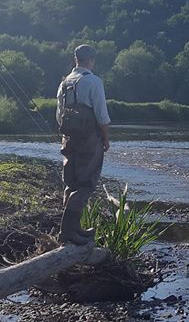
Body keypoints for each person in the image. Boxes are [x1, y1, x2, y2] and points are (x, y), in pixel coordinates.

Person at [56, 44, 111, 246]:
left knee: (71, 182)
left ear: (75, 59)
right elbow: (101, 115)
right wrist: (105, 138)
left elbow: (59, 115)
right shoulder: (93, 81)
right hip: (89, 140)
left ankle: (74, 228)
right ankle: (68, 232)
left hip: (69, 139)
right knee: (86, 183)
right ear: (92, 60)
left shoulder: (64, 83)